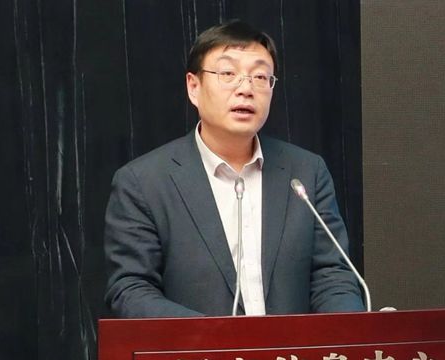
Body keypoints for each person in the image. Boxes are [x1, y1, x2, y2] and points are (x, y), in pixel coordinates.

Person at [104, 20, 365, 318]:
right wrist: (215, 338)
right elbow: (131, 289)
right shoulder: (143, 182)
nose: (246, 89)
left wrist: (355, 330)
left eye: (260, 76)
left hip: (292, 350)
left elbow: (332, 277)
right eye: (228, 74)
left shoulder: (305, 172)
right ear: (193, 87)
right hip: (198, 348)